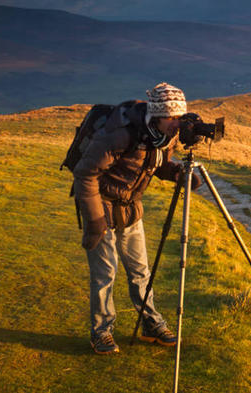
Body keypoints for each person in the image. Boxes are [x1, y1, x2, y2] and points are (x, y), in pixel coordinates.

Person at [74, 82, 199, 354]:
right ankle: (101, 332)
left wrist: (177, 174)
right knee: (105, 274)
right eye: (172, 117)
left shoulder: (165, 136)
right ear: (157, 115)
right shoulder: (118, 134)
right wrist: (95, 220)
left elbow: (156, 163)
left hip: (131, 208)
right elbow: (84, 174)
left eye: (179, 117)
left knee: (141, 272)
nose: (177, 124)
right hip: (102, 205)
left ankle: (151, 325)